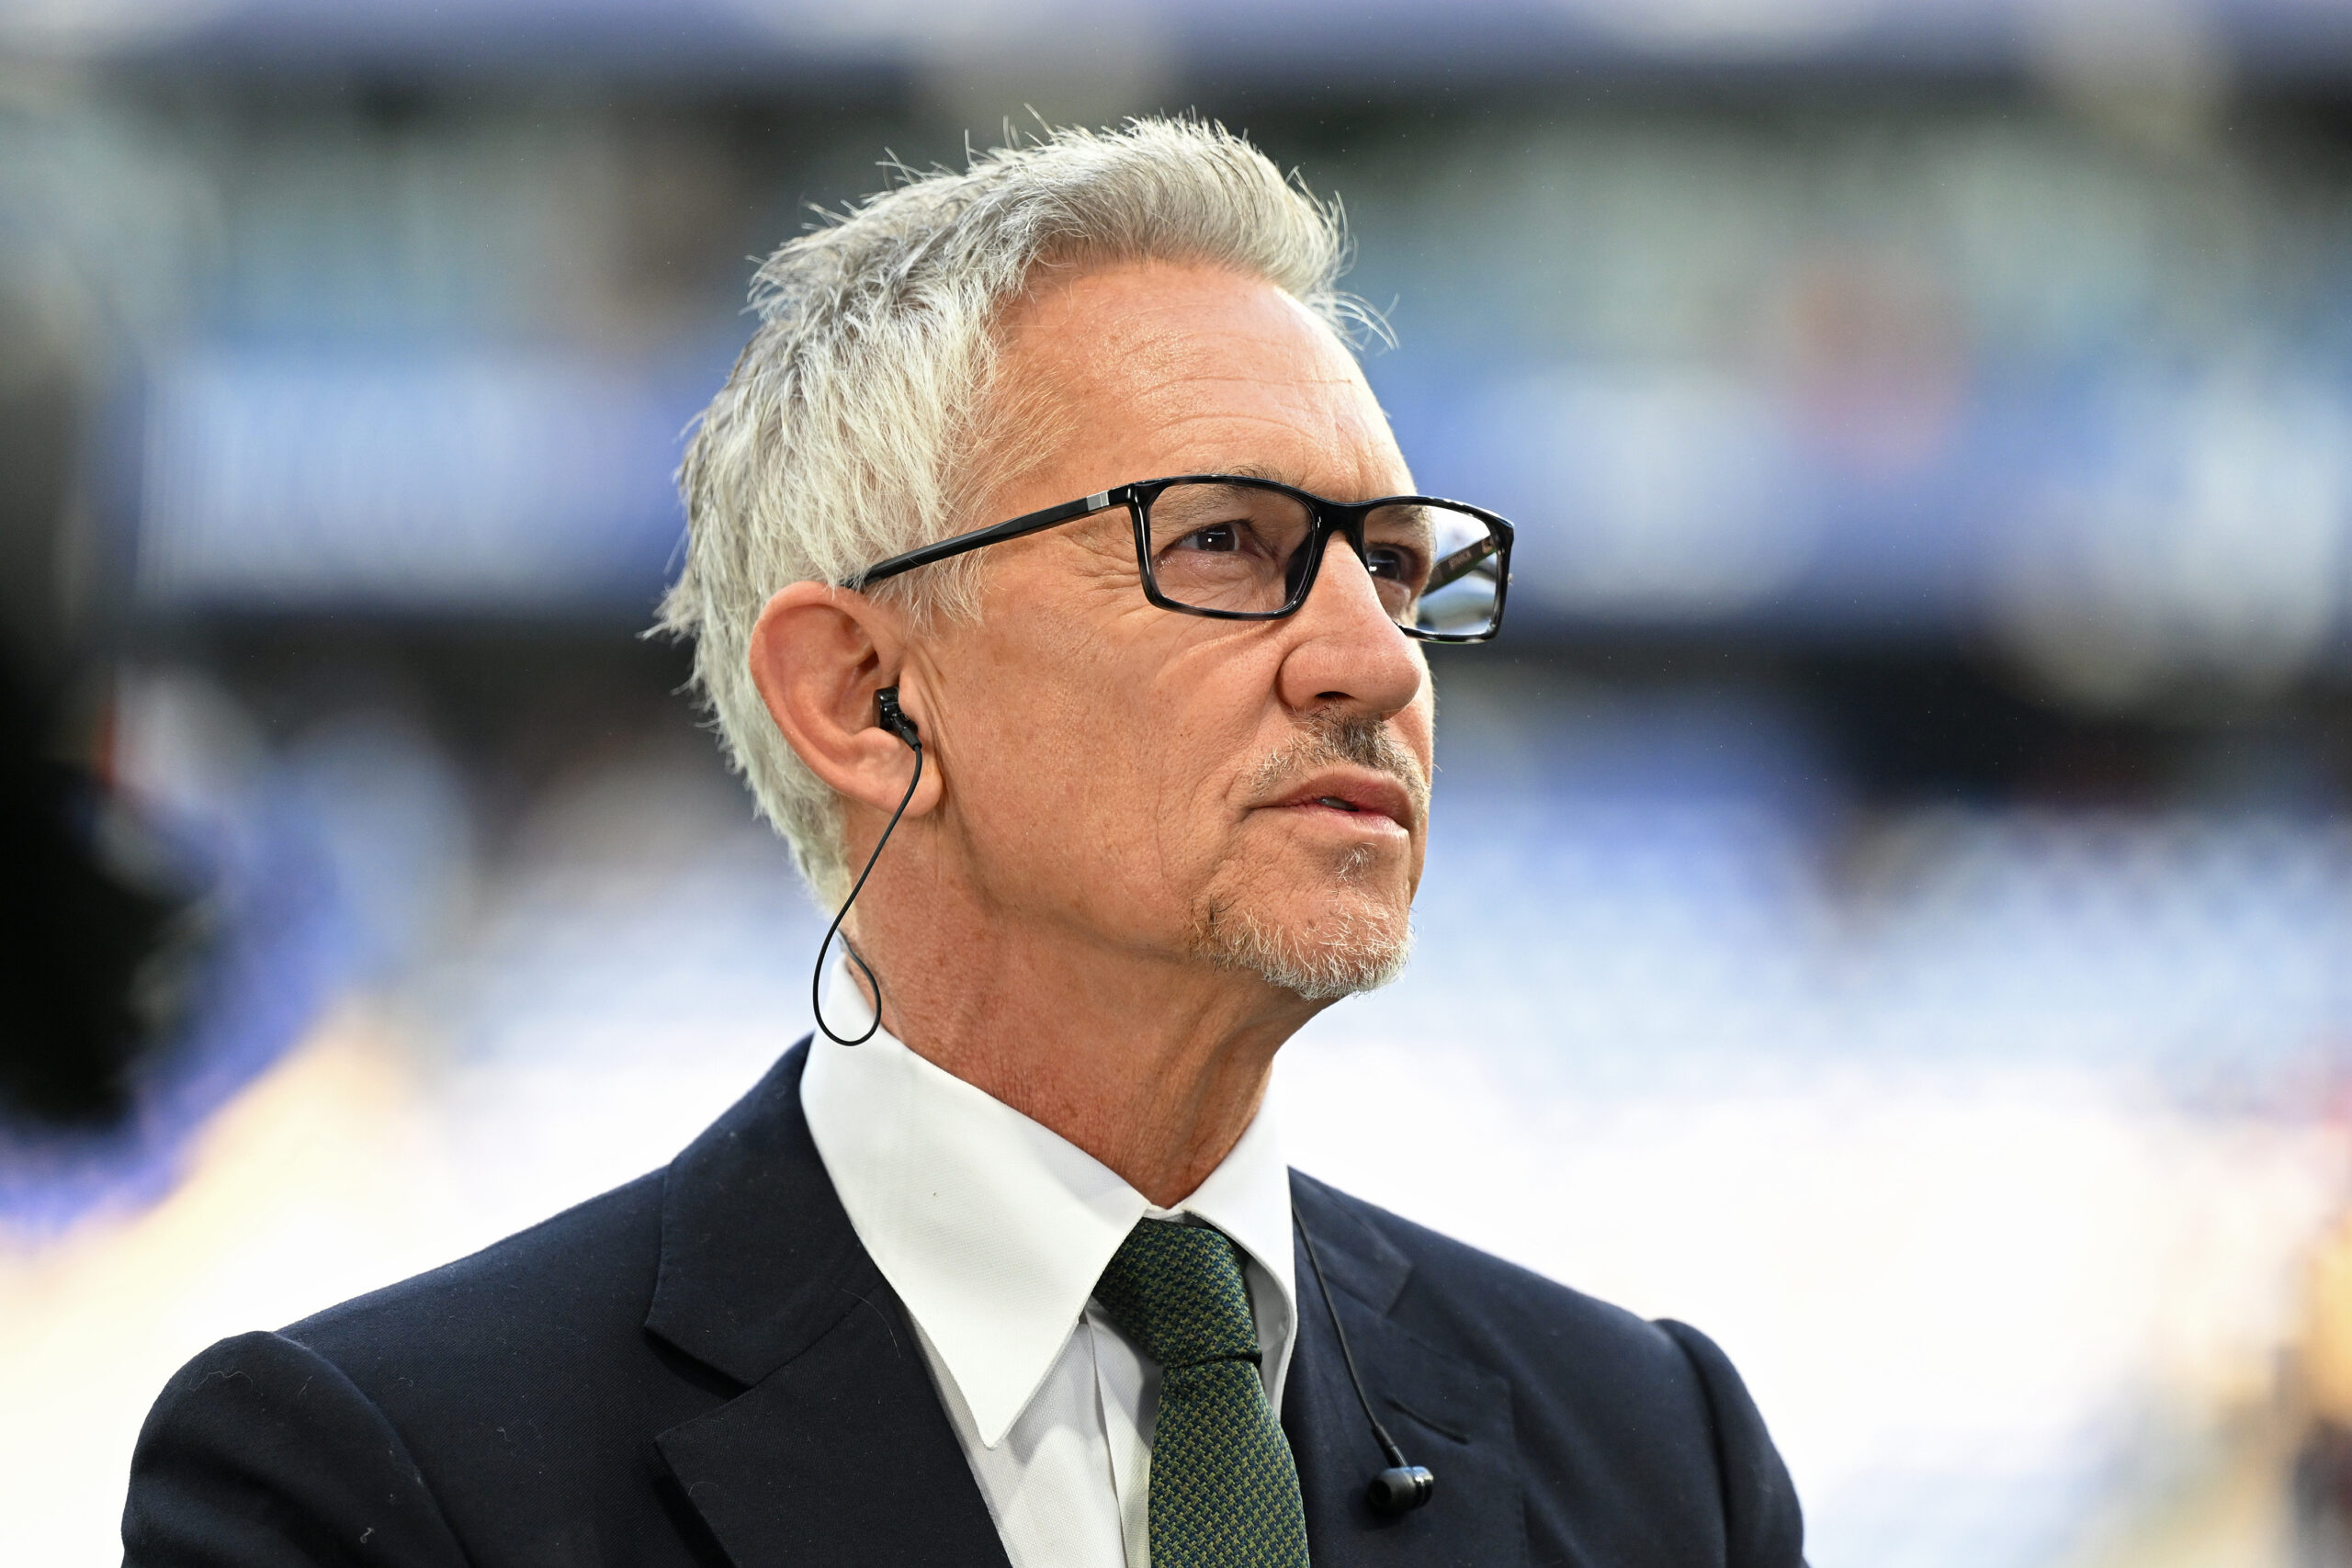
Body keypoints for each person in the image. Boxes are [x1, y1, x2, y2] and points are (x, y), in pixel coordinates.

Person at [123, 118, 1804, 1568]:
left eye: (1400, 568)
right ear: (862, 693)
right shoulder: (379, 1478)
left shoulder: (1656, 1455)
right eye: (1226, 543)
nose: (1377, 661)